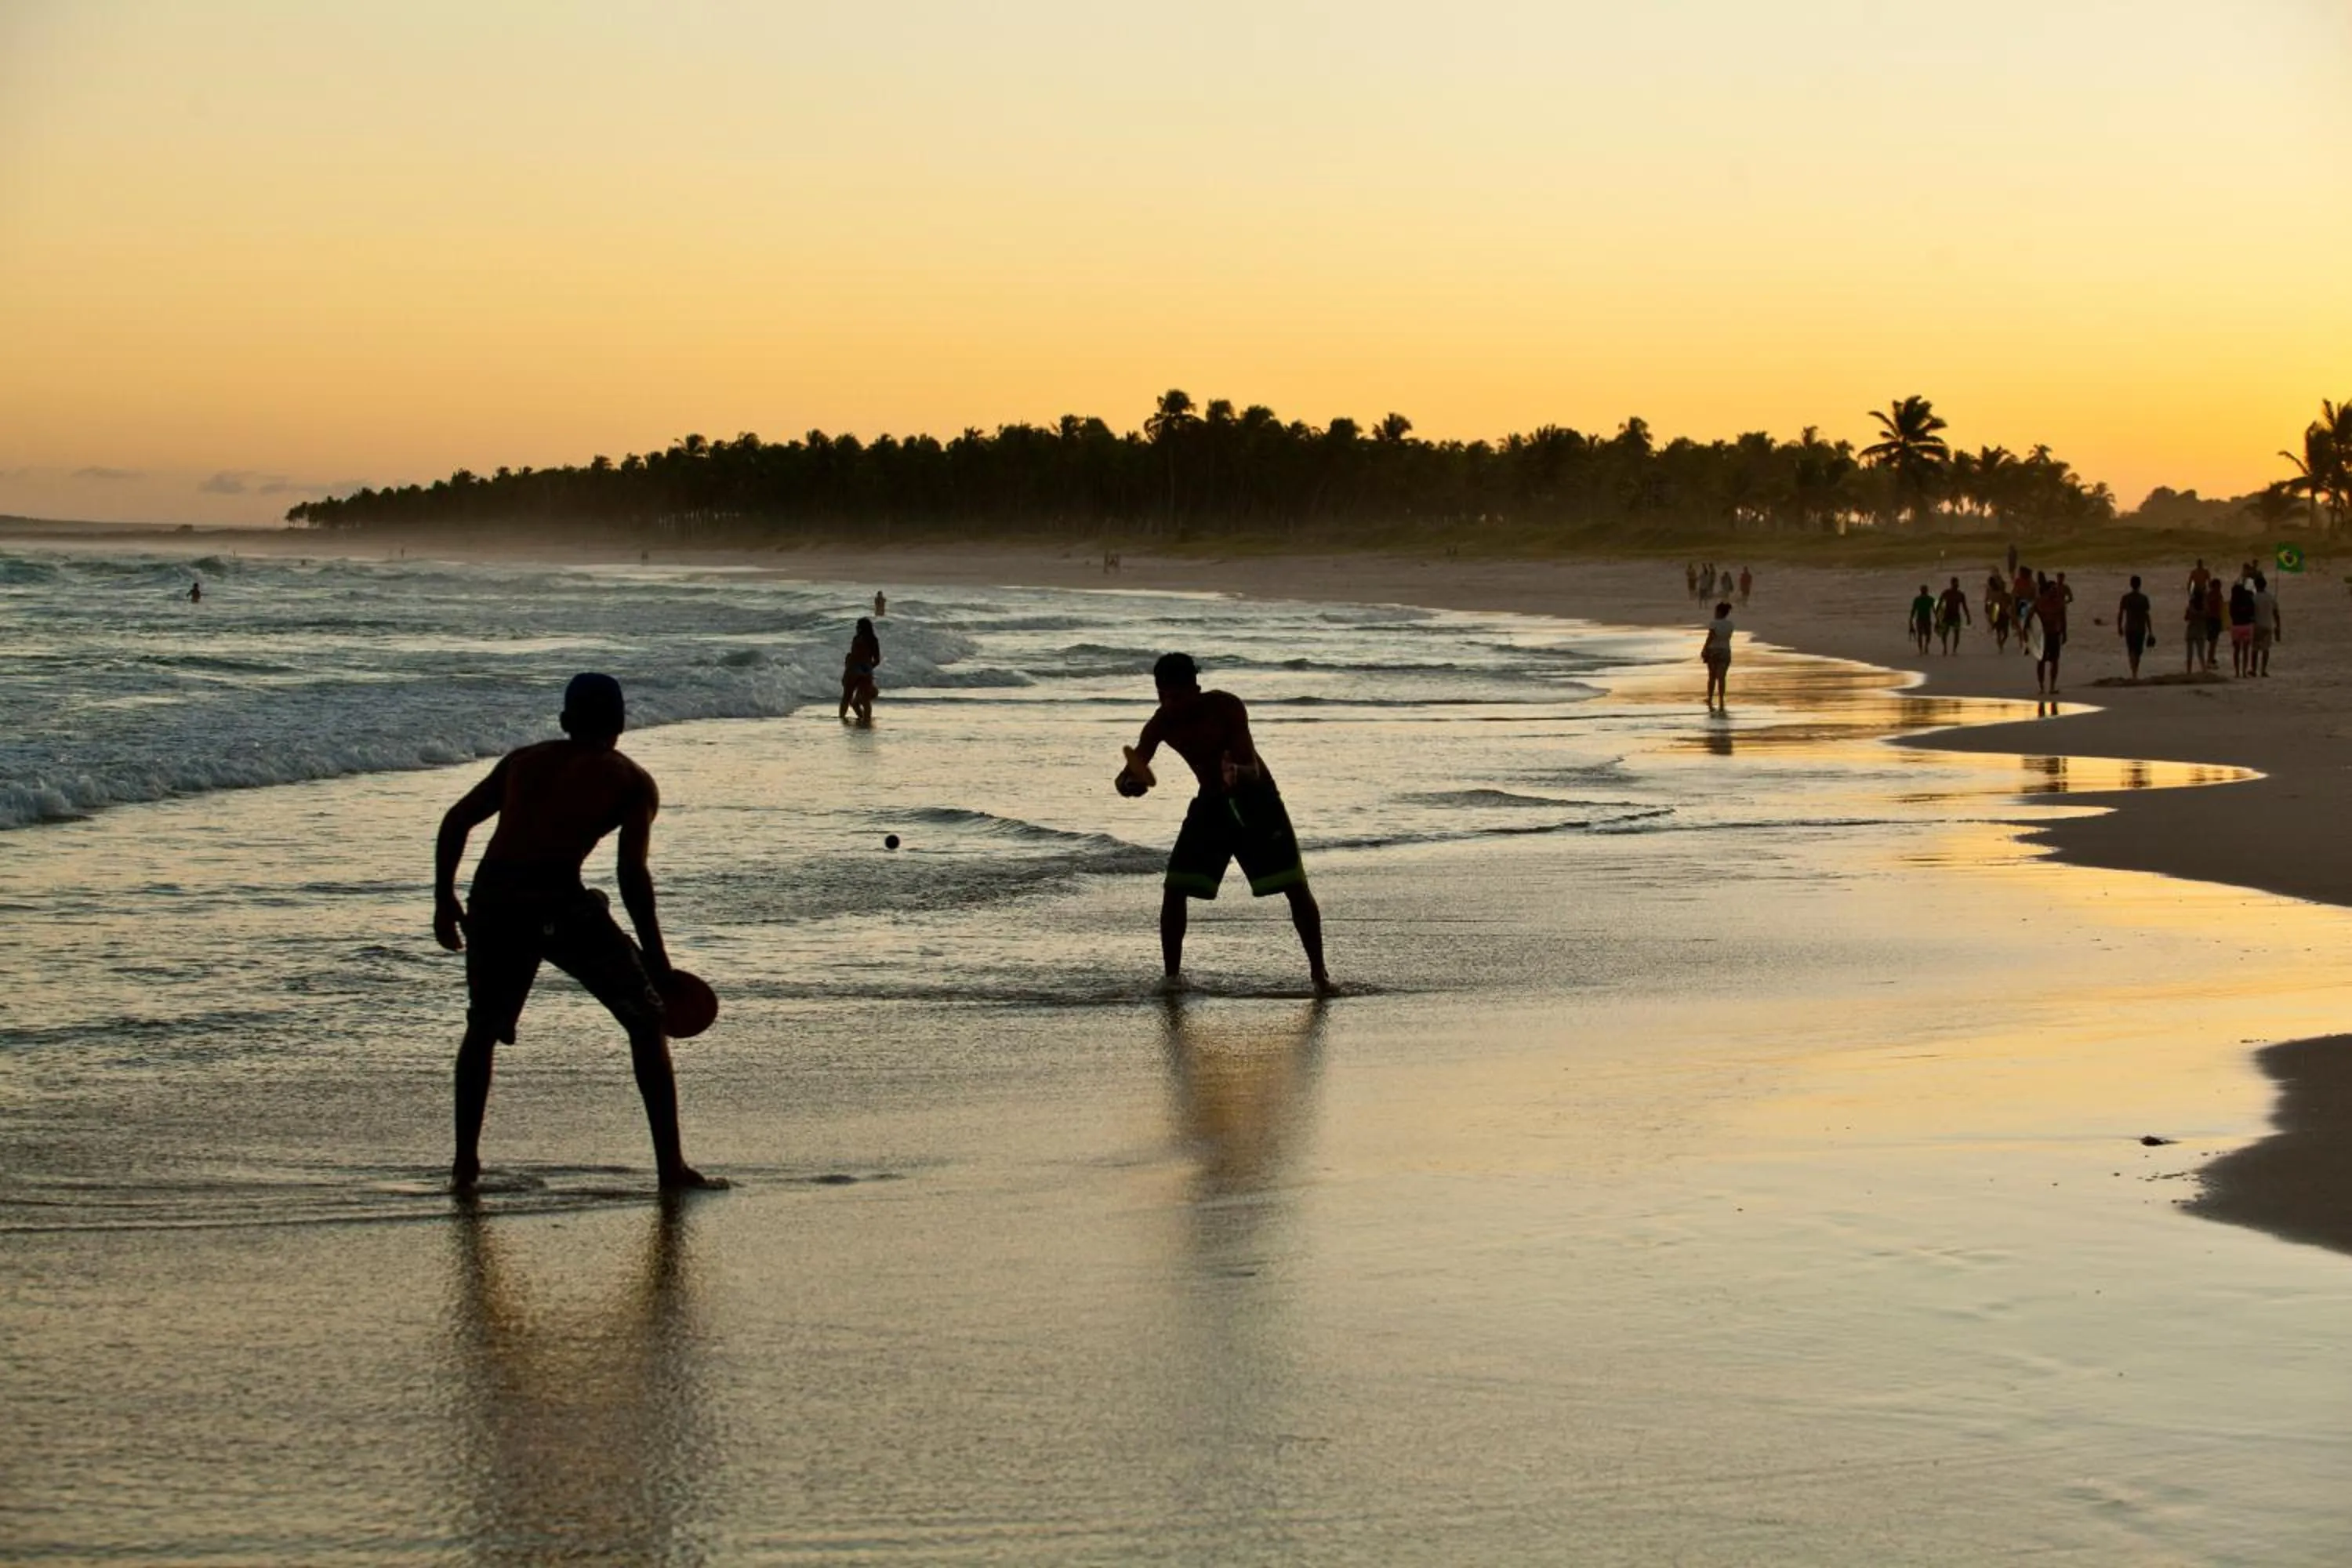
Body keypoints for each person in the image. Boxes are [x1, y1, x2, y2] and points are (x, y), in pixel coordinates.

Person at [432, 673, 720, 1193]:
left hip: (494, 899)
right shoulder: (630, 781)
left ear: (565, 722)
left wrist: (443, 899)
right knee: (647, 1020)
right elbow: (632, 876)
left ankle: (464, 1168)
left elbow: (456, 821)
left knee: (482, 1028)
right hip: (558, 902)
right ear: (622, 723)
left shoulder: (522, 761)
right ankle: (670, 1169)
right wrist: (656, 958)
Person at [1117, 652, 1332, 996]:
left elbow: (1253, 769)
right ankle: (1172, 980)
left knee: (1294, 886)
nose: (1170, 705)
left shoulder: (1226, 708)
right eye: (1163, 697)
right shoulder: (1160, 724)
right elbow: (1130, 772)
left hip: (1257, 801)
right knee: (1175, 888)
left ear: (1195, 689)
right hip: (1211, 804)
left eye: (1177, 697)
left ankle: (1320, 976)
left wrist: (1237, 774)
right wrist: (1129, 785)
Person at [840, 616, 880, 723]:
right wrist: (868, 669)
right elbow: (877, 660)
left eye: (858, 626)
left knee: (846, 697)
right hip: (866, 668)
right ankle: (866, 720)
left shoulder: (857, 639)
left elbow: (854, 656)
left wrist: (847, 664)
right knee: (864, 699)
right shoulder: (873, 640)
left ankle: (842, 718)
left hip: (853, 669)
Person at [2033, 572, 2069, 694]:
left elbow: (2063, 619)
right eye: (2053, 589)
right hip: (2043, 635)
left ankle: (2052, 686)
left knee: (2054, 661)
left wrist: (2064, 633)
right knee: (2041, 661)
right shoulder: (2040, 602)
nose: (2055, 591)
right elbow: (2031, 618)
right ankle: (2042, 686)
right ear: (2048, 590)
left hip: (2054, 634)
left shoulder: (2059, 603)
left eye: (2056, 589)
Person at [2117, 575, 2153, 680]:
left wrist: (2119, 627)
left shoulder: (2126, 598)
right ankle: (2135, 671)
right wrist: (2150, 630)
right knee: (2138, 651)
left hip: (2130, 627)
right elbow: (2147, 615)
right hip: (2140, 628)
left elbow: (2120, 614)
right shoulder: (2143, 598)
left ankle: (2134, 672)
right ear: (2140, 585)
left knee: (2132, 650)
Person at [1700, 600, 1734, 709]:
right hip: (1725, 651)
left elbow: (1711, 637)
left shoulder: (1714, 623)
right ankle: (1721, 698)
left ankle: (1710, 698)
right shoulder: (1730, 625)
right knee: (1722, 677)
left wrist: (1704, 649)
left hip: (1714, 651)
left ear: (1719, 612)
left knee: (1712, 676)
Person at [2251, 571, 2280, 677]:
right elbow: (2276, 612)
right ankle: (2263, 670)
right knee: (2265, 649)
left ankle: (2253, 669)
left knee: (2255, 649)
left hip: (2257, 626)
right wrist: (2278, 626)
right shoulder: (2270, 597)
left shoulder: (2254, 598)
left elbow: (2251, 612)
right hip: (2268, 625)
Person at [2227, 575, 2256, 677]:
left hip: (2236, 626)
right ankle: (2244, 671)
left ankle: (2237, 672)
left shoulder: (2233, 602)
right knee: (2245, 651)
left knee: (2236, 651)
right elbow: (2253, 613)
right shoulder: (2248, 600)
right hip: (2246, 626)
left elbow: (2231, 614)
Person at [1935, 577, 1971, 655]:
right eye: (1955, 583)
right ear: (1952, 583)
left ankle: (1954, 650)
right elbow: (1939, 604)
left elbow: (1964, 607)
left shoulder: (1960, 595)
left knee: (1957, 634)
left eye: (1957, 583)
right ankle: (1945, 648)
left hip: (1956, 616)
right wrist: (1937, 616)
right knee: (1944, 633)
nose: (1957, 585)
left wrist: (1968, 616)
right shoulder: (1946, 593)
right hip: (1947, 615)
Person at [1984, 568, 2012, 651]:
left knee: (2004, 633)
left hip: (2001, 611)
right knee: (2000, 632)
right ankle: (2000, 645)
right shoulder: (1994, 592)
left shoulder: (2001, 593)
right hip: (1999, 611)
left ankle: (2000, 644)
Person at [2202, 577, 2225, 671]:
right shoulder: (2212, 595)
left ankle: (2211, 658)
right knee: (2213, 642)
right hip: (2212, 619)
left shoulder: (2215, 595)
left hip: (2215, 619)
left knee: (2214, 642)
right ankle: (2209, 660)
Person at [2182, 582, 2205, 675]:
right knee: (2201, 652)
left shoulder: (2191, 606)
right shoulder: (2204, 606)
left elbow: (2186, 618)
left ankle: (2189, 671)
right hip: (2200, 630)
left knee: (2189, 653)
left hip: (2192, 629)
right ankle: (2204, 670)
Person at [1908, 584, 1936, 655]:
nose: (1924, 591)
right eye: (1923, 590)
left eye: (1925, 590)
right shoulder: (1917, 600)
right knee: (1920, 634)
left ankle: (1926, 646)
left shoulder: (1930, 599)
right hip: (1920, 619)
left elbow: (1934, 610)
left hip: (1927, 619)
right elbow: (1913, 610)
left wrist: (1938, 619)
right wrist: (1911, 619)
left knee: (1928, 634)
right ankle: (1921, 649)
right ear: (1921, 591)